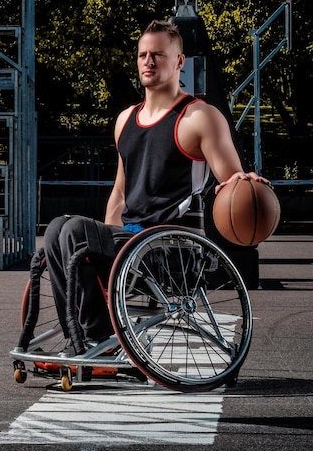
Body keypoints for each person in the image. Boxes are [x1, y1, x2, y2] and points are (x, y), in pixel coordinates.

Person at [30, 19, 269, 355]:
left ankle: (101, 340)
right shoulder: (125, 119)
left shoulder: (198, 117)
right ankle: (82, 336)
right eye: (143, 55)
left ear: (179, 61)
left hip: (171, 249)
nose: (148, 61)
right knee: (58, 229)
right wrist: (104, 251)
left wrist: (246, 182)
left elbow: (231, 179)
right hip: (130, 244)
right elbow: (120, 194)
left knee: (73, 232)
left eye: (158, 54)